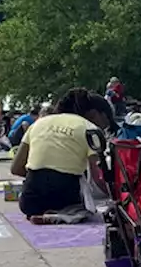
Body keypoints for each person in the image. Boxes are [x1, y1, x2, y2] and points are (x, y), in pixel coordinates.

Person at [10, 88, 114, 217]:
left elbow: (16, 168)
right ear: (95, 114)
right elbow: (99, 177)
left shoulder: (38, 124)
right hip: (66, 199)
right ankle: (62, 213)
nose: (105, 128)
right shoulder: (90, 129)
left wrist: (42, 175)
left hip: (30, 201)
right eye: (106, 122)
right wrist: (118, 198)